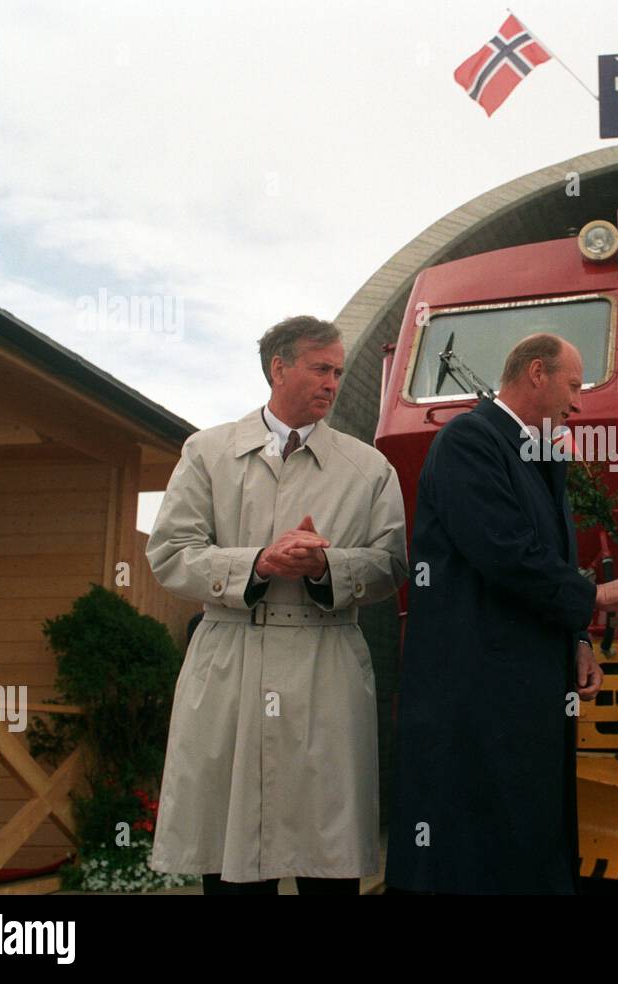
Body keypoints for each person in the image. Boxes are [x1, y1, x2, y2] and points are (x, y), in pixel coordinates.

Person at [384, 333, 618, 894]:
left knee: (526, 838)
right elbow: (504, 551)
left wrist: (578, 636)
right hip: (476, 695)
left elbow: (553, 557)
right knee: (475, 848)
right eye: (574, 386)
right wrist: (595, 597)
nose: (579, 404)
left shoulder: (542, 453)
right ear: (537, 372)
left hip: (524, 693)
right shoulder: (469, 441)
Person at [147, 315, 408, 894]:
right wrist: (258, 563)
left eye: (339, 372)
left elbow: (392, 564)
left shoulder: (368, 467)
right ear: (278, 368)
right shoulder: (207, 452)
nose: (333, 384)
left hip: (327, 660)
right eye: (321, 369)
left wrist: (326, 566)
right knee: (232, 856)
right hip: (231, 660)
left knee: (328, 859)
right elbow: (170, 553)